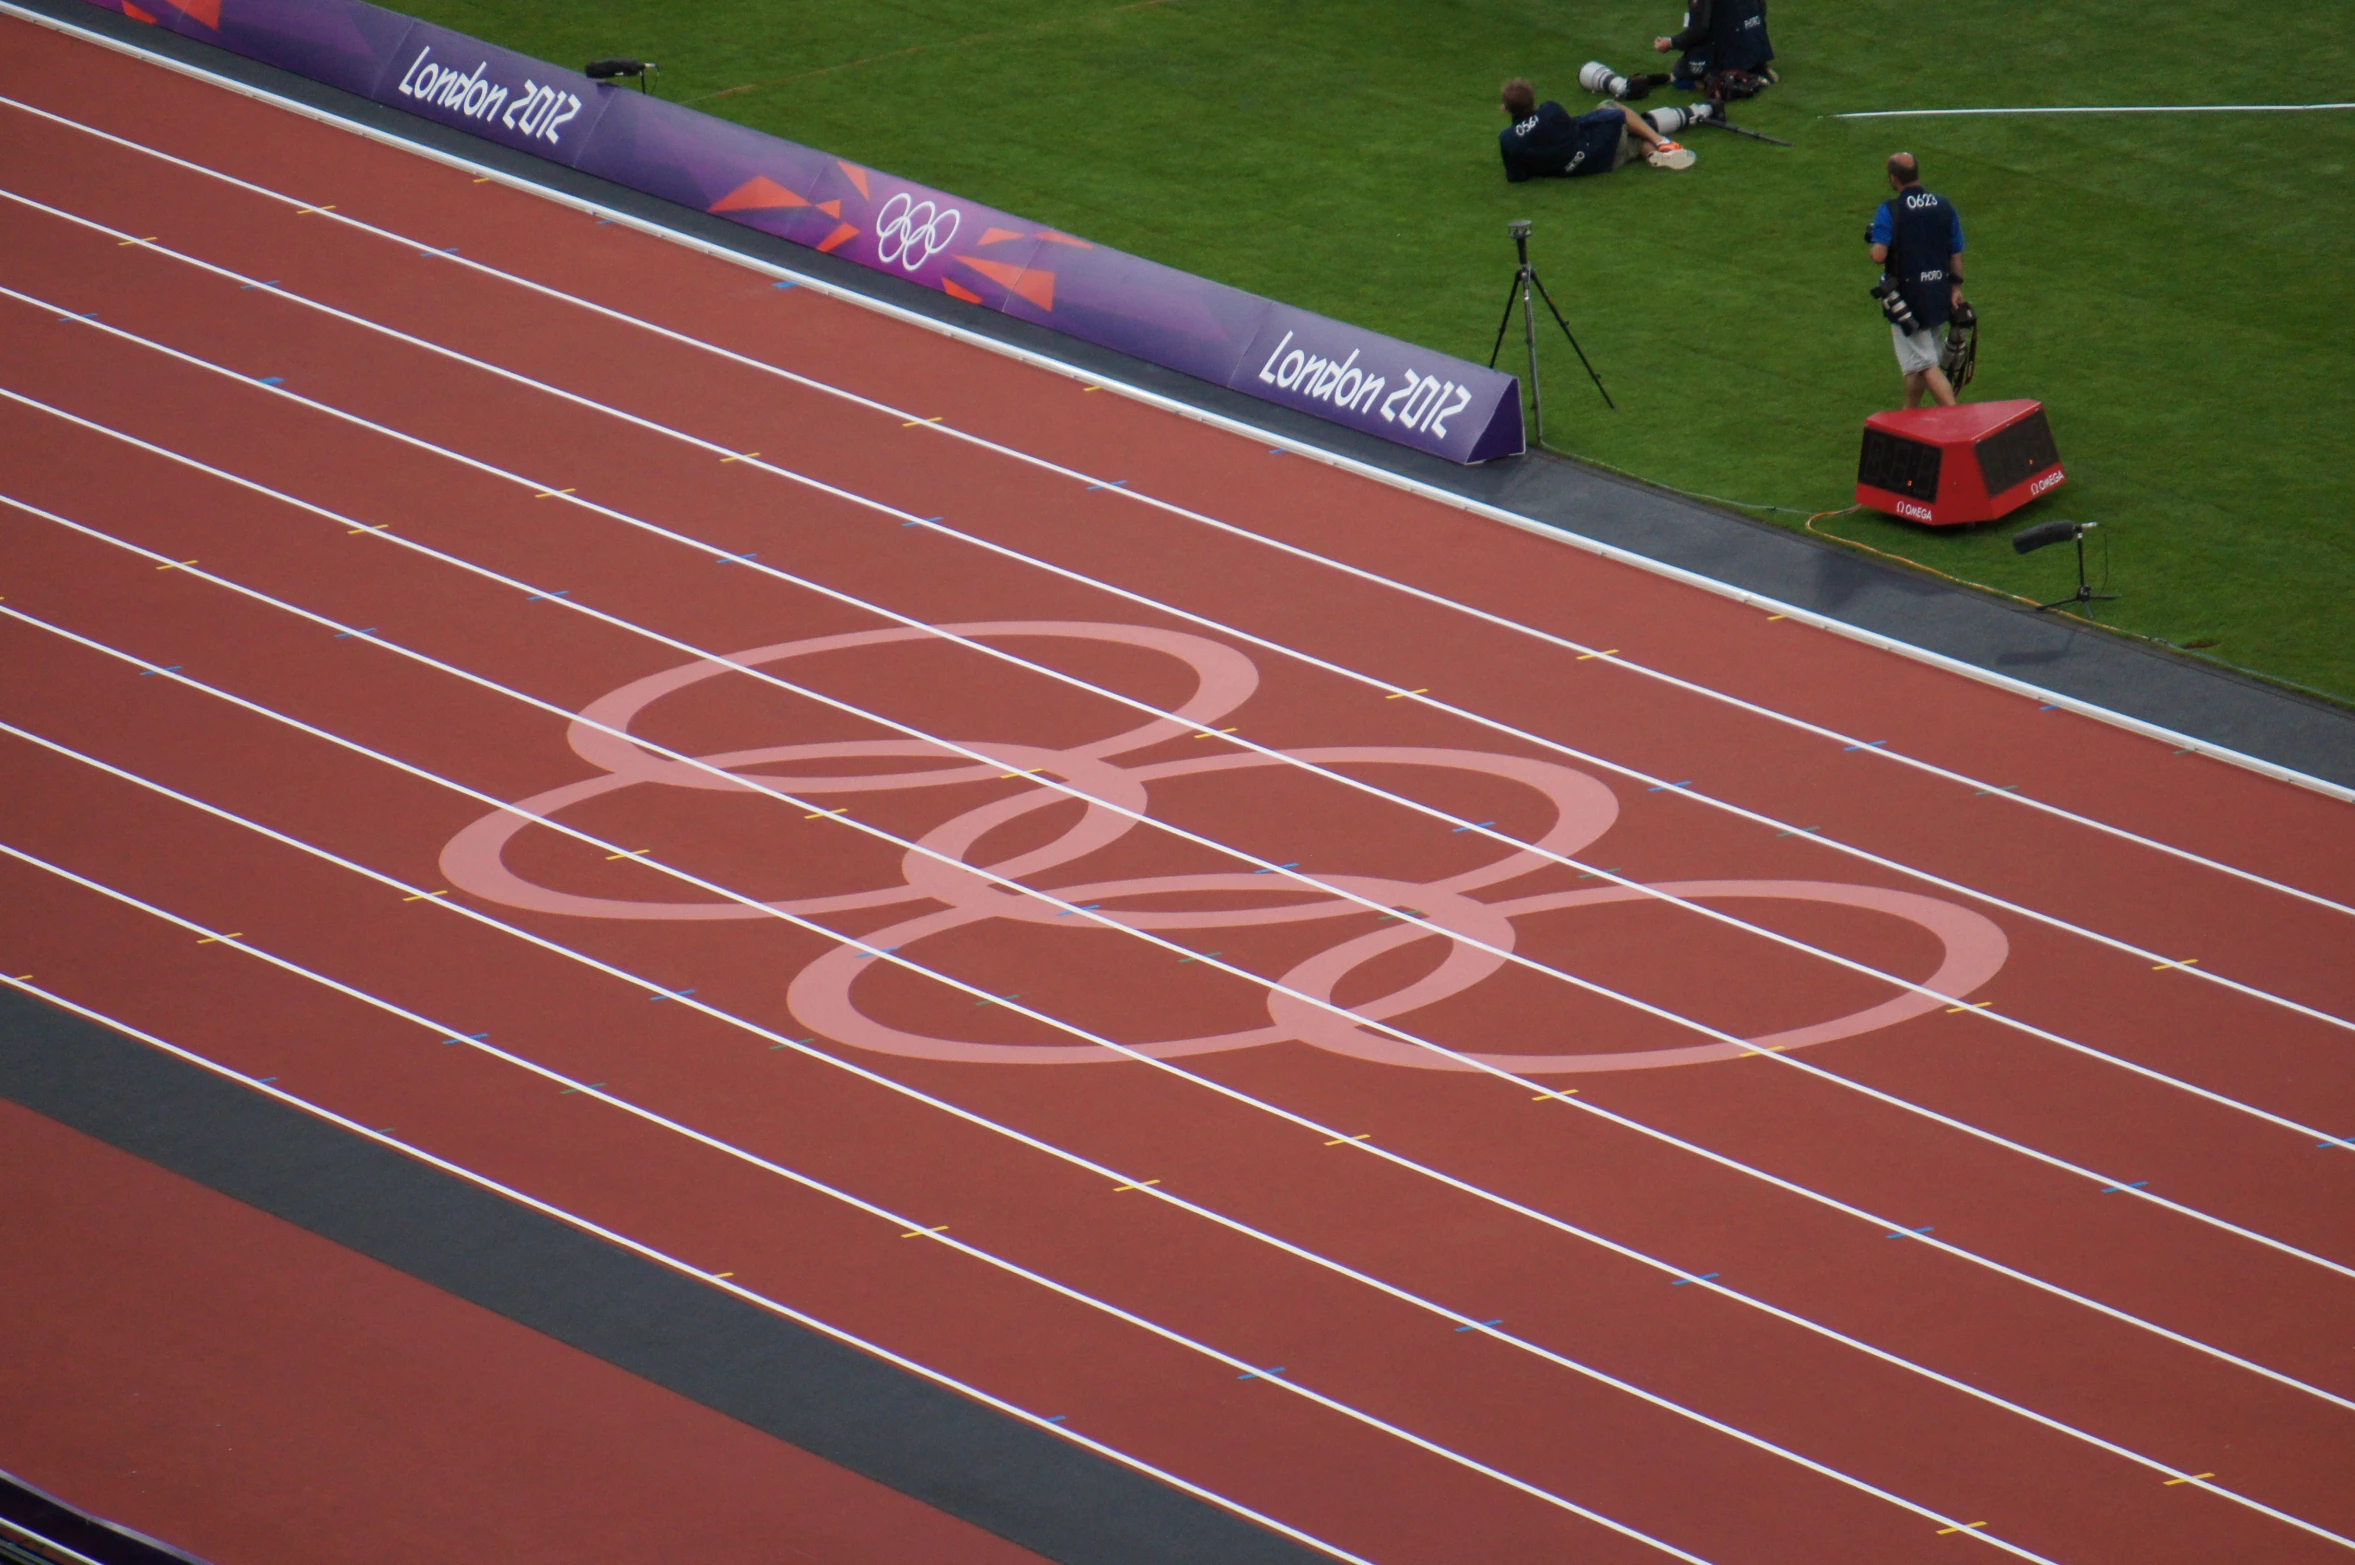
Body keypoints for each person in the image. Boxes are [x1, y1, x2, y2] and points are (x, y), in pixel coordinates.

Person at [1866, 152, 1967, 408]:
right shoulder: (1944, 206)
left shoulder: (1890, 210)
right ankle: (1908, 415)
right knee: (1918, 363)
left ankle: (1957, 418)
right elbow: (1955, 252)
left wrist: (1873, 239)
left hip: (1909, 299)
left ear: (1893, 178)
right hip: (1939, 292)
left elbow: (1879, 255)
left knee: (1926, 364)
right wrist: (1955, 288)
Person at [1497, 78, 1701, 179]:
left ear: (1505, 109)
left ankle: (1649, 154)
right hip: (1596, 151)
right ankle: (1661, 141)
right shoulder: (1550, 111)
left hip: (1594, 167)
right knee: (1612, 109)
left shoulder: (1507, 140)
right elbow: (1583, 124)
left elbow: (1516, 177)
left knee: (1632, 141)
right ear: (1532, 99)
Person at [1652, 0, 1776, 94]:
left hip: (1730, 49)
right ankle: (1756, 68)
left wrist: (1670, 43)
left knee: (1678, 78)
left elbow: (1698, 31)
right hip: (1757, 47)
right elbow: (1762, 10)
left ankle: (1721, 79)